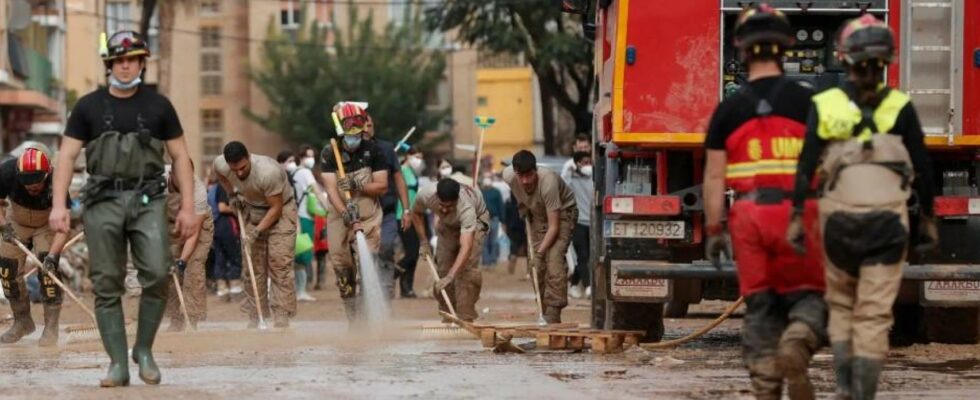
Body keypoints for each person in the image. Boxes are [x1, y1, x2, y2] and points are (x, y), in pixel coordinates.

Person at [787, 14, 937, 400]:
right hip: (888, 225)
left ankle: (842, 387)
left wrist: (796, 220)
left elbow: (806, 168)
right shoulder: (901, 107)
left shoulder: (825, 104)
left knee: (841, 307)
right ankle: (862, 395)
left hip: (838, 224)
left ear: (845, 59)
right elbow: (923, 168)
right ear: (886, 61)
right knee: (872, 316)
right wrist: (929, 220)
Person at [50, 30, 198, 387]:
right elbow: (67, 156)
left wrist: (188, 208)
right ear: (109, 64)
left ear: (142, 62)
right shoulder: (87, 106)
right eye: (119, 59)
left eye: (132, 59)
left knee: (158, 274)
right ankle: (117, 363)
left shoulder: (159, 106)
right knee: (107, 284)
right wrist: (59, 205)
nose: (126, 65)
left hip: (149, 200)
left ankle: (143, 350)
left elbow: (180, 156)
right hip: (102, 202)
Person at [703, 6, 827, 399]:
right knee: (810, 295)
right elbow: (828, 164)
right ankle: (799, 341)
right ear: (787, 47)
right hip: (799, 213)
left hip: (748, 216)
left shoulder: (728, 110)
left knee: (760, 305)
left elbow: (713, 176)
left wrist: (713, 229)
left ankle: (765, 384)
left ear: (740, 50)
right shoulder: (810, 103)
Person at [214, 141, 298, 329]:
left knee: (279, 263)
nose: (239, 173)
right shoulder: (221, 164)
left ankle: (281, 314)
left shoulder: (268, 173)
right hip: (252, 209)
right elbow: (221, 175)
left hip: (281, 210)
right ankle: (256, 314)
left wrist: (257, 231)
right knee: (253, 265)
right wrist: (232, 194)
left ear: (249, 157)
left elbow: (275, 209)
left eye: (243, 168)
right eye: (234, 169)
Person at [320, 103, 389, 324]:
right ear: (341, 131)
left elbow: (381, 186)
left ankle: (368, 315)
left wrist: (356, 185)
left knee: (367, 263)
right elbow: (331, 189)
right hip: (339, 215)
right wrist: (346, 213)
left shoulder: (374, 151)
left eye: (358, 133)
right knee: (342, 265)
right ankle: (353, 318)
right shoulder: (330, 152)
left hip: (368, 216)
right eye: (350, 133)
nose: (354, 139)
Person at [0, 146, 71, 347]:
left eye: (36, 184)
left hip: (48, 222)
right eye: (27, 185)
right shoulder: (6, 171)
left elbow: (63, 227)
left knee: (49, 273)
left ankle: (50, 327)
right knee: (6, 269)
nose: (32, 188)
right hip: (17, 221)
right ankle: (22, 321)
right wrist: (3, 226)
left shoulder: (58, 181)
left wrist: (53, 256)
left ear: (46, 174)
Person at [503, 150, 577, 323]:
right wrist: (522, 205)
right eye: (521, 176)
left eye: (529, 175)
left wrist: (539, 253)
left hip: (563, 214)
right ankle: (542, 310)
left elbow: (554, 227)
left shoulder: (548, 182)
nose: (525, 181)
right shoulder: (508, 176)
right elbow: (516, 191)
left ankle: (553, 312)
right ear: (515, 173)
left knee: (553, 260)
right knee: (537, 267)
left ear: (535, 170)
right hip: (536, 214)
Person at [409, 178, 490, 322]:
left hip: (475, 223)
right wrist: (424, 242)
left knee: (467, 271)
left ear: (457, 200)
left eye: (450, 206)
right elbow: (415, 213)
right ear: (436, 197)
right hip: (446, 225)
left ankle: (465, 316)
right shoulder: (426, 194)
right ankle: (448, 314)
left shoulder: (466, 208)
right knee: (442, 270)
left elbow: (466, 246)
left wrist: (451, 276)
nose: (445, 209)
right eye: (442, 205)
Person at [361, 112, 410, 301]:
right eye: (362, 126)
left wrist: (406, 209)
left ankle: (387, 292)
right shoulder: (348, 152)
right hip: (363, 214)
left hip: (387, 212)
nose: (366, 129)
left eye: (369, 125)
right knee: (365, 255)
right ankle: (365, 295)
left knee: (387, 246)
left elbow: (398, 177)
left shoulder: (386, 148)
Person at [164, 163, 213, 331]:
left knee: (193, 269)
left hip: (198, 225)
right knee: (170, 273)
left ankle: (192, 320)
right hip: (169, 223)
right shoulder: (157, 180)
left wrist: (182, 261)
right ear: (171, 174)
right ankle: (175, 320)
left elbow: (194, 235)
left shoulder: (199, 192)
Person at [563, 151, 593, 299]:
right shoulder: (571, 179)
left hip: (593, 224)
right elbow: (562, 185)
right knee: (582, 256)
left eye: (589, 162)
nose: (587, 165)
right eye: (584, 162)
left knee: (588, 258)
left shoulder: (594, 177)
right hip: (578, 223)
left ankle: (574, 284)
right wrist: (571, 169)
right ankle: (588, 287)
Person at [396, 147, 425, 298]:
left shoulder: (412, 172)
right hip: (402, 215)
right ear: (408, 156)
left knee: (413, 254)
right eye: (417, 156)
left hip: (415, 215)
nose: (419, 160)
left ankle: (407, 287)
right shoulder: (401, 170)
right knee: (411, 253)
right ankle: (392, 273)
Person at [208, 178, 243, 299]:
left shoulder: (213, 188)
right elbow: (222, 207)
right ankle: (234, 284)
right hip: (226, 225)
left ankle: (221, 286)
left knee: (220, 256)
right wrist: (237, 210)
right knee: (234, 255)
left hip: (216, 225)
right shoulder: (223, 187)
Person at [480, 173, 504, 268]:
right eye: (485, 178)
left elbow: (501, 206)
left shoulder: (496, 192)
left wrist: (502, 219)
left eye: (488, 178)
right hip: (483, 220)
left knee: (493, 241)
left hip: (494, 219)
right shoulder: (480, 192)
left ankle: (493, 261)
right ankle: (486, 262)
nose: (486, 179)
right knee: (484, 242)